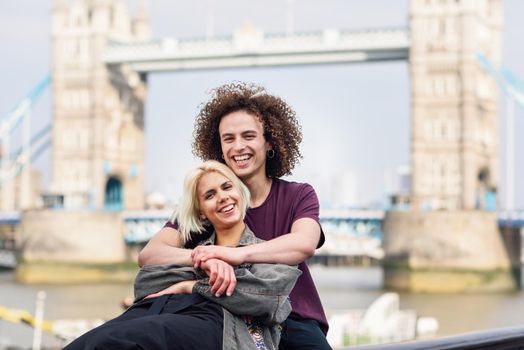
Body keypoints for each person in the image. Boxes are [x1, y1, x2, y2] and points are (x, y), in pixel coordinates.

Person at [139, 82, 331, 349]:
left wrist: (234, 254)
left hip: (293, 319)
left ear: (270, 141)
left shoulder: (298, 195)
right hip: (224, 315)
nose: (238, 147)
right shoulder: (206, 204)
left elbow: (303, 243)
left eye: (249, 136)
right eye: (229, 138)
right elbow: (150, 255)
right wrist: (203, 259)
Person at [65, 161, 301, 350]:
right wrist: (205, 261)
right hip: (161, 310)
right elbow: (146, 283)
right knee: (84, 343)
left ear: (240, 193)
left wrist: (190, 286)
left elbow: (270, 298)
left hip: (218, 321)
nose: (222, 197)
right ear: (202, 213)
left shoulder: (264, 250)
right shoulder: (192, 249)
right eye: (209, 195)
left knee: (120, 341)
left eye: (227, 187)